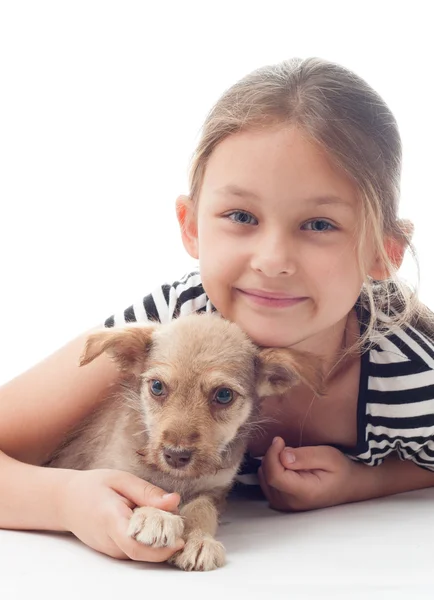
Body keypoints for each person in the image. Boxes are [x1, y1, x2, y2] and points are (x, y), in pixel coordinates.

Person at [1, 57, 434, 562]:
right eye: (241, 215)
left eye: (318, 224)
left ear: (384, 252)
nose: (272, 261)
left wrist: (363, 481)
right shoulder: (173, 321)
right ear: (191, 226)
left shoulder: (409, 375)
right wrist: (66, 502)